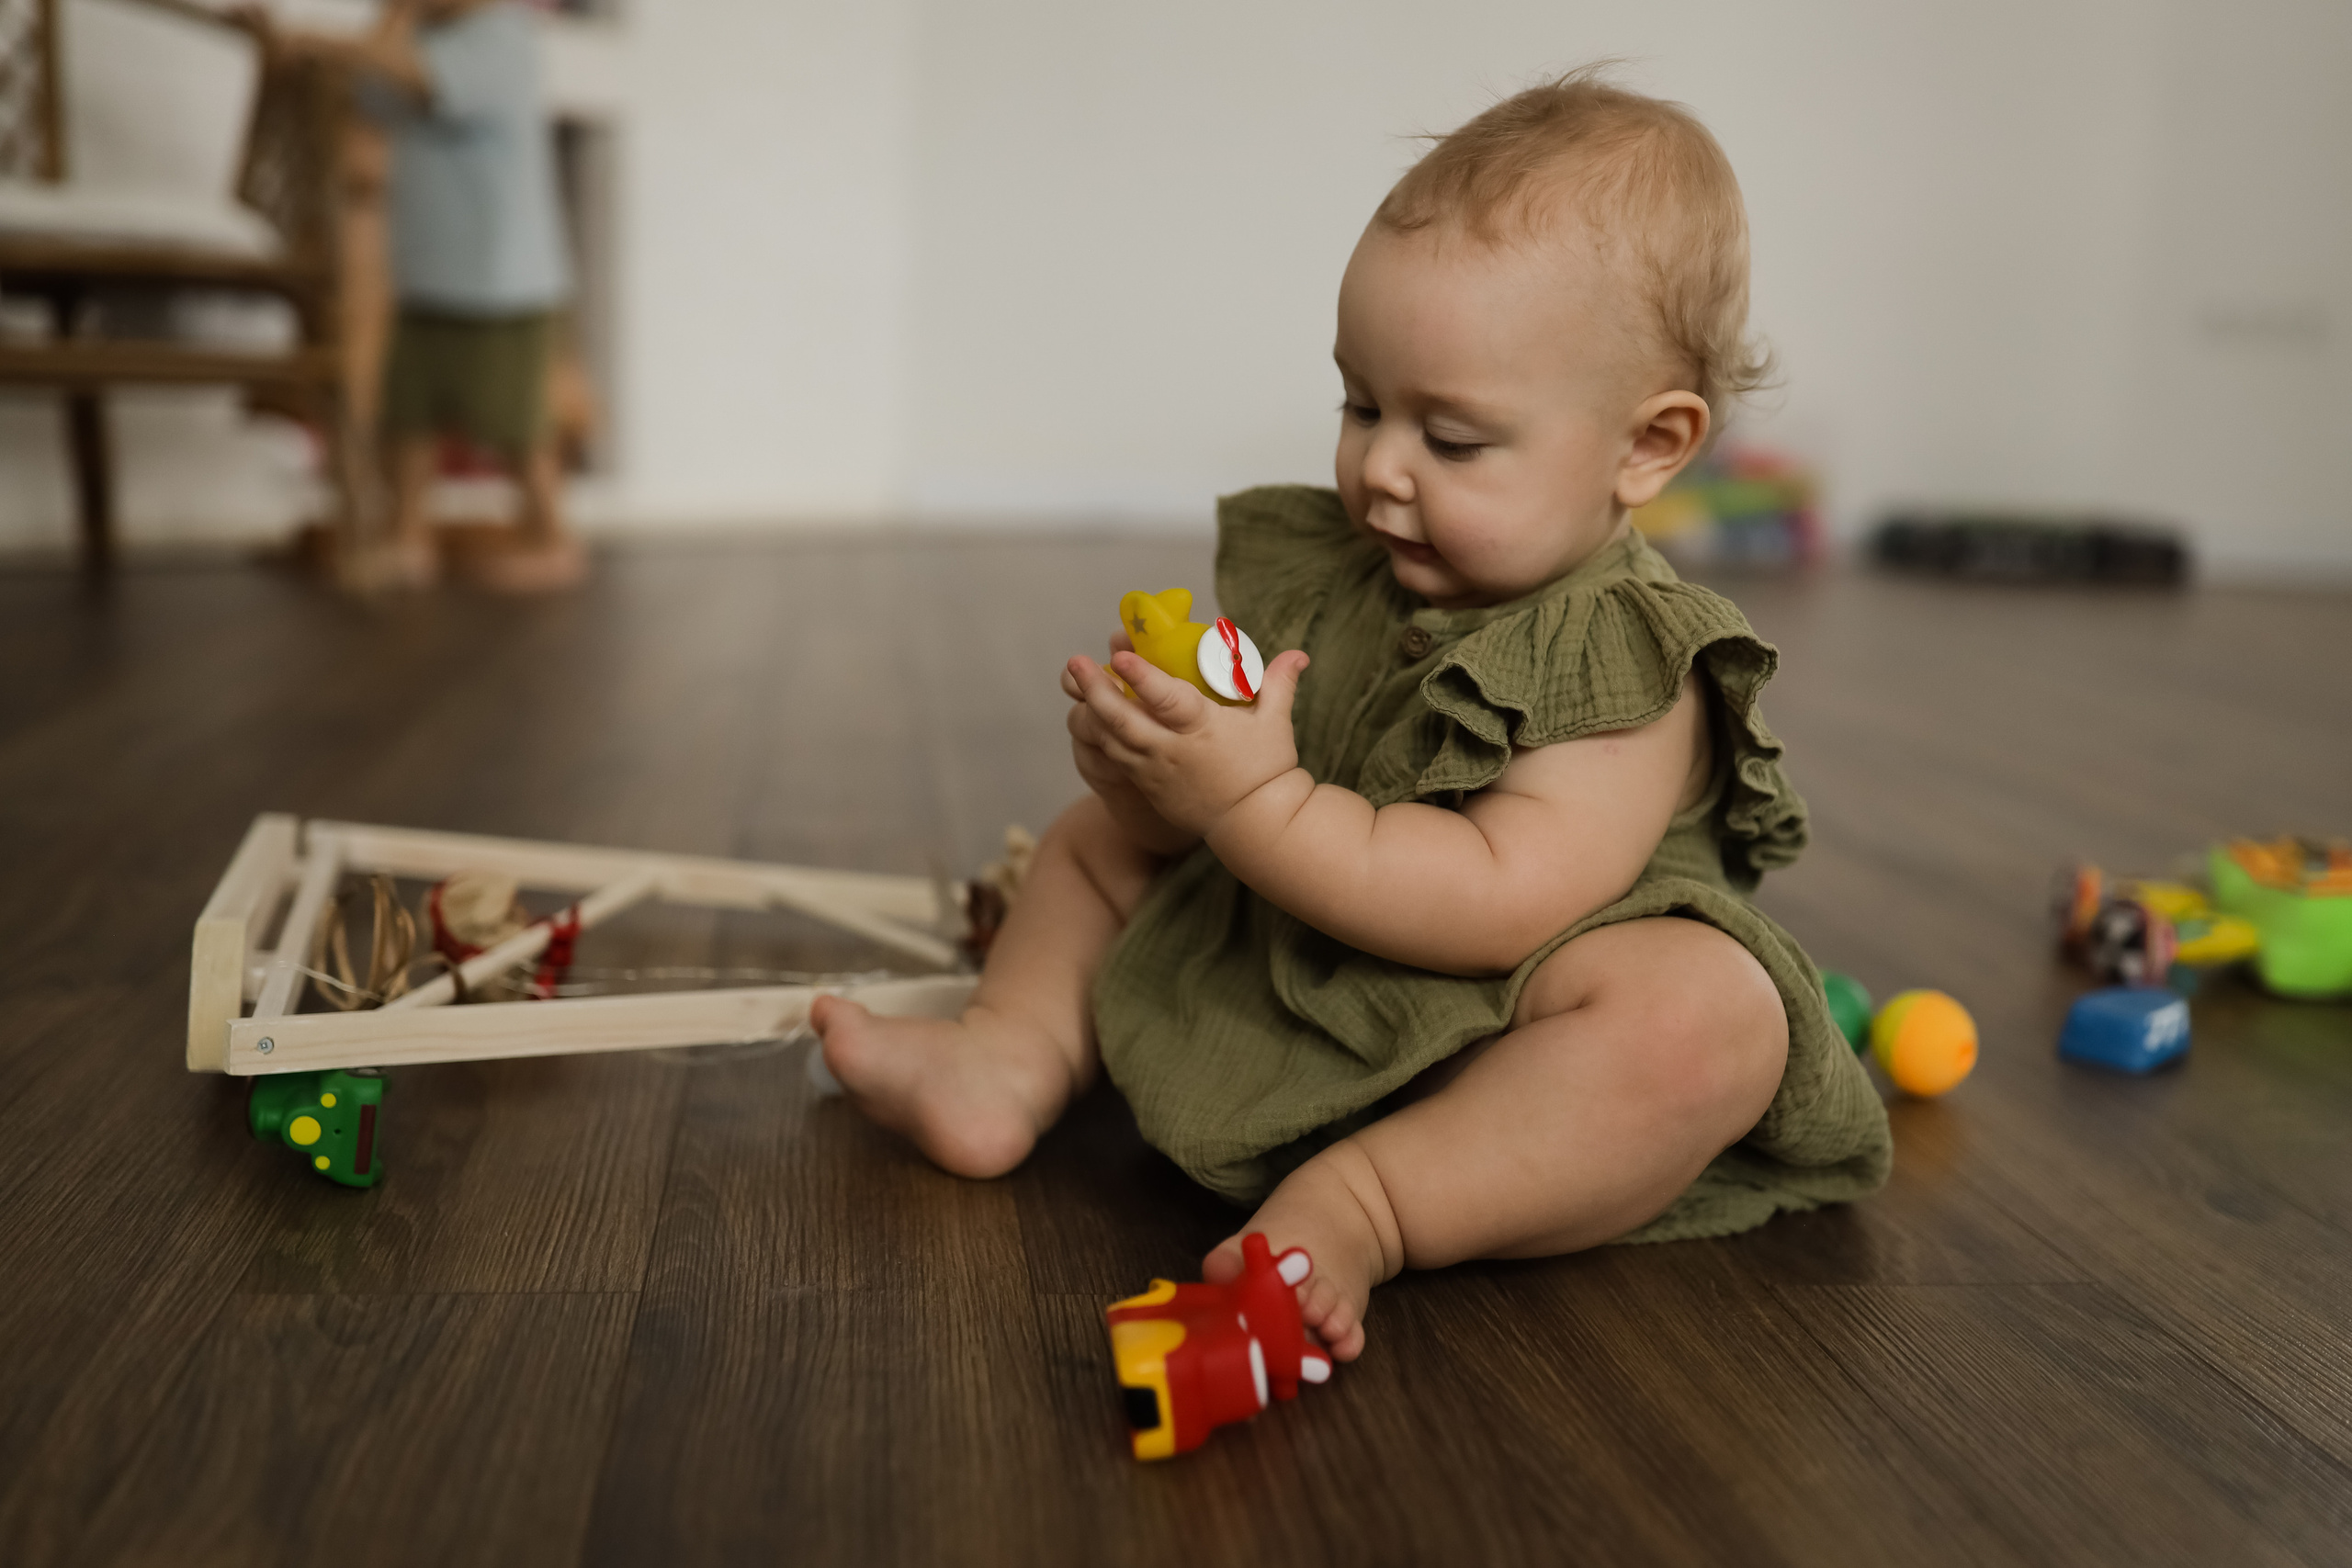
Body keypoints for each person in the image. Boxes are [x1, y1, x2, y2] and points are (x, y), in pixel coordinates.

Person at [811, 70, 1893, 1362]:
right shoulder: (1339, 569)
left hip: (1488, 1034)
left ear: (1646, 447)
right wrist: (1156, 776)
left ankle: (1370, 1203)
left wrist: (1256, 802)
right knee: (1095, 846)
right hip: (1294, 943)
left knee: (1705, 1018)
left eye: (1454, 439)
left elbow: (1500, 900)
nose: (1380, 466)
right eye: (1361, 404)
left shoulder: (1628, 661)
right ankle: (1004, 1056)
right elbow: (1219, 792)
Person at [247, 0, 583, 592]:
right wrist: (373, 27)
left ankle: (550, 538)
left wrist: (324, 37)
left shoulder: (503, 38)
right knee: (409, 414)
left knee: (517, 421)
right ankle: (408, 536)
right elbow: (367, 95)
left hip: (501, 280)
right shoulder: (418, 42)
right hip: (428, 275)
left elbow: (423, 77)